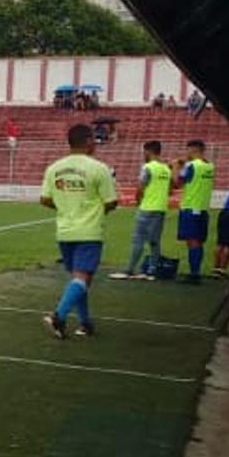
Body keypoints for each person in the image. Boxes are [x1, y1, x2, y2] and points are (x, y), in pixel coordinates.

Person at [41, 123, 117, 339]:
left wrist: (66, 206)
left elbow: (44, 199)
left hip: (64, 231)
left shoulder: (54, 168)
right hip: (89, 231)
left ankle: (85, 323)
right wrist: (95, 209)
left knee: (80, 279)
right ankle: (58, 315)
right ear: (87, 141)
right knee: (82, 278)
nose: (96, 143)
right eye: (94, 139)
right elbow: (111, 202)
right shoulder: (99, 168)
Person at [112, 140, 170, 281]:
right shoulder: (166, 169)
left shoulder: (148, 167)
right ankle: (152, 270)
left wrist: (138, 200)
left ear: (148, 151)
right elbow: (169, 189)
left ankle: (130, 269)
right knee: (154, 241)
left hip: (147, 207)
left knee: (137, 239)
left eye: (144, 151)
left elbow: (140, 187)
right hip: (160, 208)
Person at [176, 139, 215, 284]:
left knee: (192, 241)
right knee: (198, 241)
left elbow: (177, 183)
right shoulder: (210, 166)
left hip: (190, 207)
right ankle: (195, 271)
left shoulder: (191, 165)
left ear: (193, 150)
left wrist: (176, 167)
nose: (186, 153)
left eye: (188, 150)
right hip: (203, 208)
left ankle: (194, 274)